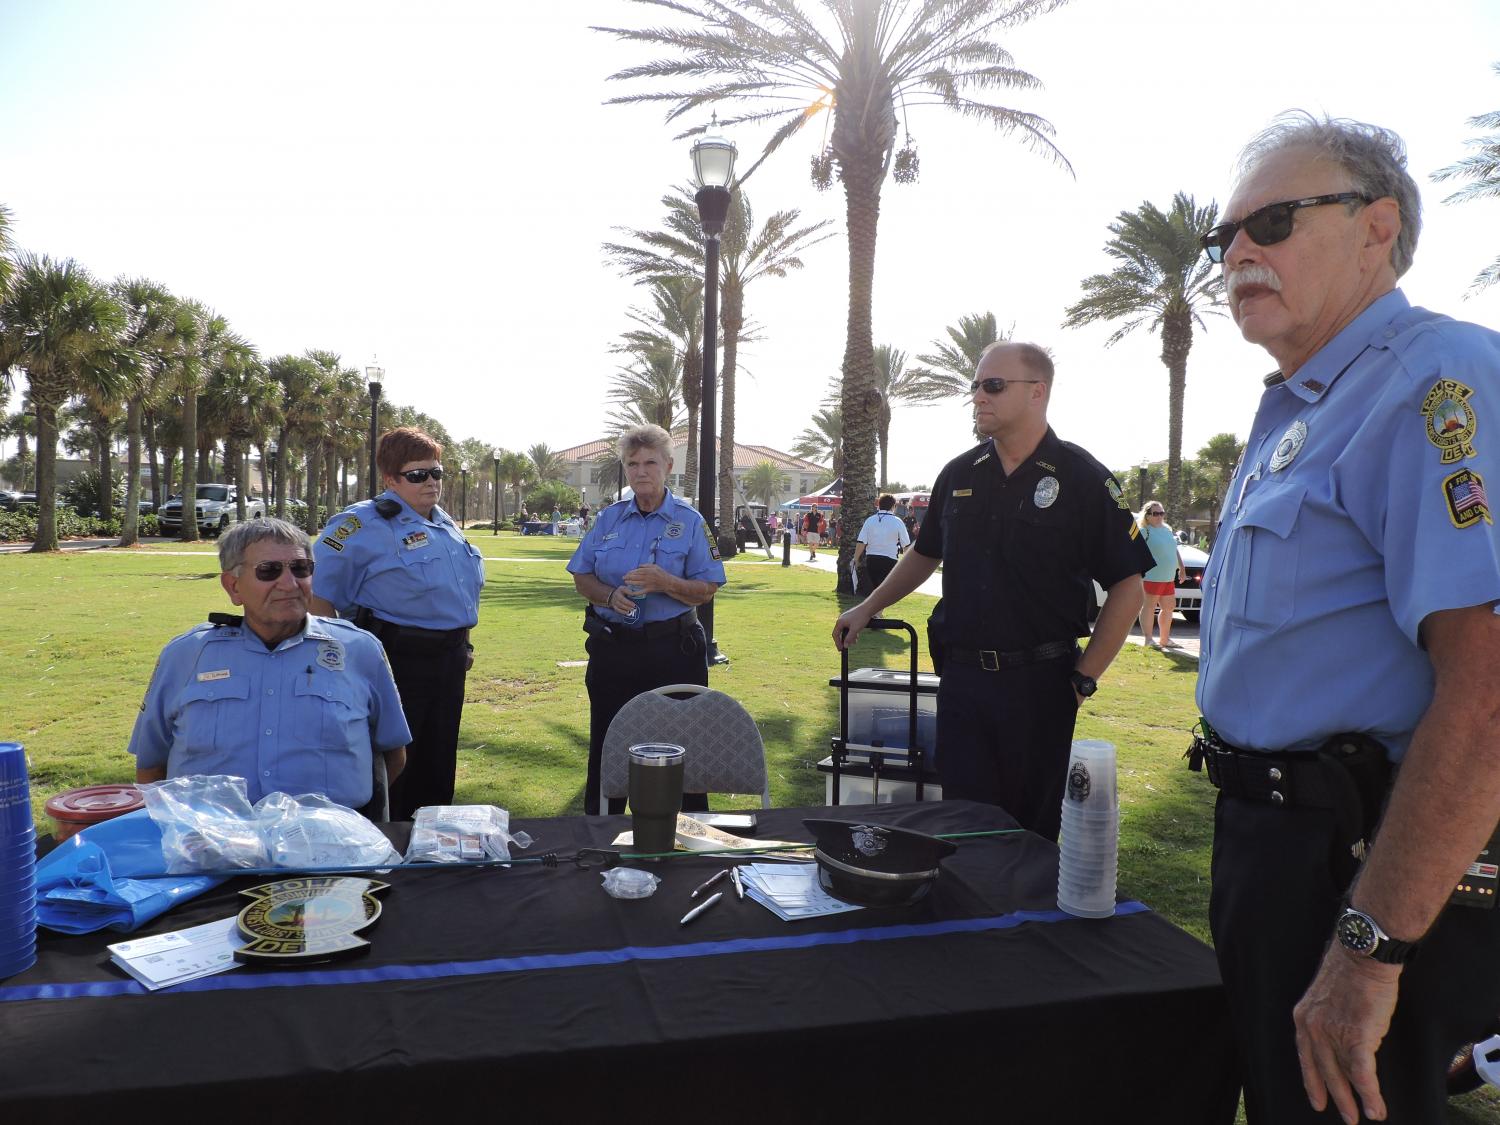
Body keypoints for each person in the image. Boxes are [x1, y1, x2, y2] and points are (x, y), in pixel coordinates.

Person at [1194, 113, 1500, 1124]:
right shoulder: (1304, 405)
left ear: (1379, 226)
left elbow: (1491, 690)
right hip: (1271, 849)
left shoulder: (1433, 384)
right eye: (1224, 235)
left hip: (1363, 865)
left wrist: (1370, 953)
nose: (1238, 249)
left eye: (1272, 221)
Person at [833, 342, 1151, 841]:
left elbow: (1129, 587)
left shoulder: (1081, 478)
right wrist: (867, 607)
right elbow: (923, 554)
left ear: (1037, 393)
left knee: (1032, 836)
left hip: (1041, 685)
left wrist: (1083, 679)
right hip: (963, 683)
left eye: (993, 386)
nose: (978, 396)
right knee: (963, 827)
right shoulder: (960, 474)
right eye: (976, 386)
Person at [129, 519, 409, 814]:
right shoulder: (186, 655)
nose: (289, 584)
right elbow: (151, 766)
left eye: (300, 569)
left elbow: (393, 755)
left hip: (327, 844)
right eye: (269, 570)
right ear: (233, 586)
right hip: (212, 841)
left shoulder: (358, 650)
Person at [310, 427, 485, 820]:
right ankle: (386, 847)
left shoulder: (444, 524)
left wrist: (464, 645)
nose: (431, 482)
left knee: (439, 760)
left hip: (449, 660)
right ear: (390, 479)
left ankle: (432, 847)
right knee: (394, 762)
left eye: (436, 472)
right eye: (418, 474)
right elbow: (317, 592)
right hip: (394, 661)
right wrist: (339, 655)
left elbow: (459, 595)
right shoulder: (359, 525)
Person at [567, 424, 726, 815]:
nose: (641, 471)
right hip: (614, 651)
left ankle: (689, 838)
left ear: (668, 466)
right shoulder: (609, 519)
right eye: (632, 463)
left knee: (684, 745)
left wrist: (664, 582)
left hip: (673, 650)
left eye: (650, 462)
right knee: (608, 744)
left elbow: (708, 588)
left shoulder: (690, 522)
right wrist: (608, 595)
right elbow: (581, 575)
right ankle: (602, 836)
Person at [1136, 501, 1185, 648]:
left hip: (1168, 577)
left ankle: (1165, 639)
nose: (1159, 516)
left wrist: (1181, 568)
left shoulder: (1167, 530)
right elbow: (1134, 551)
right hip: (1151, 576)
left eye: (1161, 513)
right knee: (1149, 607)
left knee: (1169, 607)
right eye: (1155, 513)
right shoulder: (1144, 531)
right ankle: (1148, 639)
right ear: (1147, 515)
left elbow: (1174, 550)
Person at [853, 492, 911, 590]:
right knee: (885, 590)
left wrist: (856, 558)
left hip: (872, 559)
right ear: (893, 506)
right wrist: (906, 564)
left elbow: (861, 542)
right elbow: (906, 545)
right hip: (890, 560)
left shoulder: (870, 520)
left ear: (879, 505)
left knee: (876, 588)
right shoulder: (897, 521)